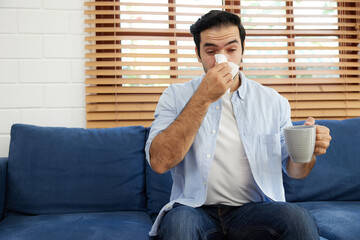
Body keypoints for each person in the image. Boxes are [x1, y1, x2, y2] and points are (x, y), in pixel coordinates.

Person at [145, 10, 332, 240]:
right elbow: (159, 162)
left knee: (298, 219)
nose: (221, 60)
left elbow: (295, 170)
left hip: (254, 210)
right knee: (179, 225)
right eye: (211, 51)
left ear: (242, 50)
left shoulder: (273, 102)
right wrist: (203, 97)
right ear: (198, 54)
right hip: (194, 210)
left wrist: (308, 151)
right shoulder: (175, 96)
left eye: (231, 50)